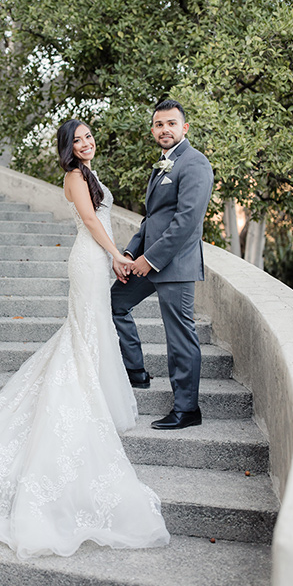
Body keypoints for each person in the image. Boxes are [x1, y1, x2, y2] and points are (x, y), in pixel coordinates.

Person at [0, 119, 170, 559]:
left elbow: (103, 221)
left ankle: (88, 387)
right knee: (82, 335)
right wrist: (118, 255)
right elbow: (90, 222)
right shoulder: (74, 176)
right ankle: (79, 393)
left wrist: (114, 258)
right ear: (67, 147)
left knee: (90, 335)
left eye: (88, 136)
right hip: (87, 262)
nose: (86, 143)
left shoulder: (91, 173)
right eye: (77, 140)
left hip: (98, 263)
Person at [111, 100, 214, 430]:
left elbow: (186, 223)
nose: (164, 129)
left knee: (179, 336)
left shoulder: (195, 164)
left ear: (184, 128)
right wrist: (129, 254)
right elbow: (152, 219)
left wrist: (150, 259)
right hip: (146, 261)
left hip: (176, 265)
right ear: (152, 130)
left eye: (171, 123)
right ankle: (136, 371)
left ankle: (187, 409)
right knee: (114, 302)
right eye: (159, 124)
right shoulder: (162, 165)